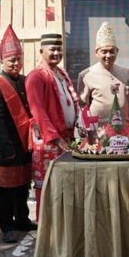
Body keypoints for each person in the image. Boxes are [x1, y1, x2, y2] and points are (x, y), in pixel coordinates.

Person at [0, 25, 37, 243]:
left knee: (23, 187)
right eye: (10, 60)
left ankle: (22, 220)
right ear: (2, 61)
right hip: (6, 148)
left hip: (24, 143)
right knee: (6, 191)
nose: (15, 63)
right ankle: (6, 225)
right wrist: (7, 150)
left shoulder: (25, 80)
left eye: (18, 59)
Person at [26, 33, 78, 220]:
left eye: (59, 49)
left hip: (65, 139)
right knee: (47, 187)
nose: (56, 53)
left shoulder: (61, 73)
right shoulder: (36, 76)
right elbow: (38, 111)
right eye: (52, 50)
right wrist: (56, 139)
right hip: (49, 142)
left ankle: (62, 226)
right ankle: (45, 229)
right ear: (41, 51)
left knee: (64, 186)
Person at [77, 22, 129, 125]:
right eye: (104, 51)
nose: (108, 55)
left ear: (117, 51)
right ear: (96, 52)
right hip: (98, 131)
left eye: (112, 51)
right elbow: (82, 106)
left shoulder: (127, 73)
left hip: (123, 131)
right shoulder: (86, 75)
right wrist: (84, 126)